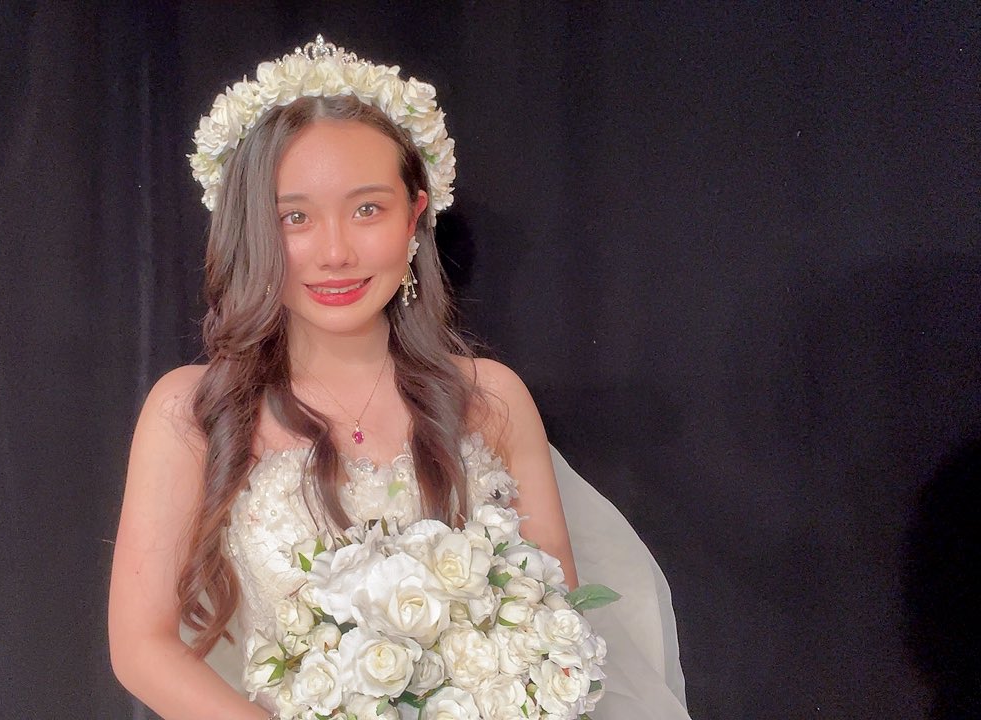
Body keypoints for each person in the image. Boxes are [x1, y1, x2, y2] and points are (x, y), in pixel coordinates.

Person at [108, 37, 690, 720]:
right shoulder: (192, 410)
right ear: (252, 230)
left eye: (367, 210)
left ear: (414, 217)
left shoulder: (490, 399)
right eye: (294, 217)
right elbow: (141, 646)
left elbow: (554, 620)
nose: (334, 252)